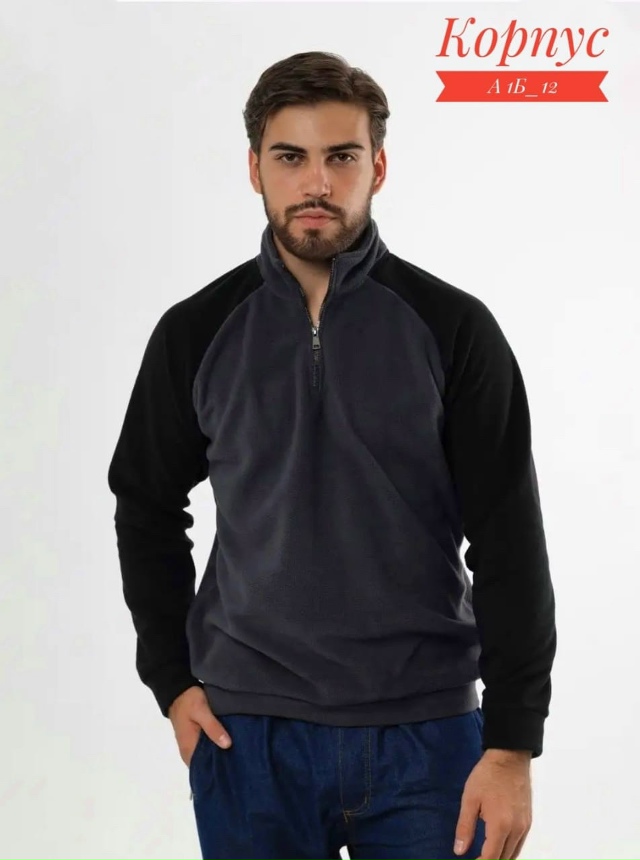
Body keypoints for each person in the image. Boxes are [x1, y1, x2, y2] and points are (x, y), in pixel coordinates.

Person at [107, 51, 557, 860]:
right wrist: (172, 680)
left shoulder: (454, 329)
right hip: (249, 738)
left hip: (430, 737)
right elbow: (145, 504)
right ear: (254, 168)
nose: (317, 183)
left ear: (377, 167)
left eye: (341, 156)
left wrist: (512, 742)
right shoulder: (197, 332)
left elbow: (508, 536)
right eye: (291, 157)